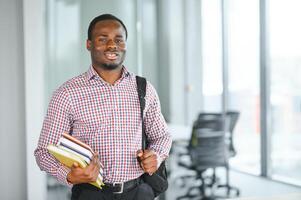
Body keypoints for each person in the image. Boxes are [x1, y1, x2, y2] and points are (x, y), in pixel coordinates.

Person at [34, 13, 172, 200]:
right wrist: (67, 175)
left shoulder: (144, 88)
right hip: (91, 194)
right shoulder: (67, 93)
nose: (112, 45)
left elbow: (162, 136)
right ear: (89, 44)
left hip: (139, 192)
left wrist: (156, 155)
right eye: (103, 39)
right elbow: (43, 152)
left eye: (118, 39)